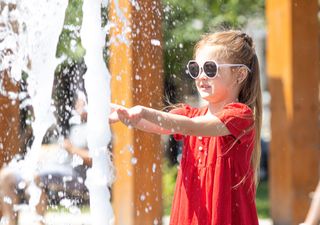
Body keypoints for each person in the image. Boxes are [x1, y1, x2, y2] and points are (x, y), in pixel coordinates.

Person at [110, 30, 262, 225]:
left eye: (210, 69)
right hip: (192, 216)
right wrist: (126, 115)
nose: (200, 76)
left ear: (240, 74)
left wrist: (145, 111)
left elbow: (190, 127)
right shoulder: (192, 114)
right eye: (195, 69)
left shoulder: (240, 116)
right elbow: (157, 126)